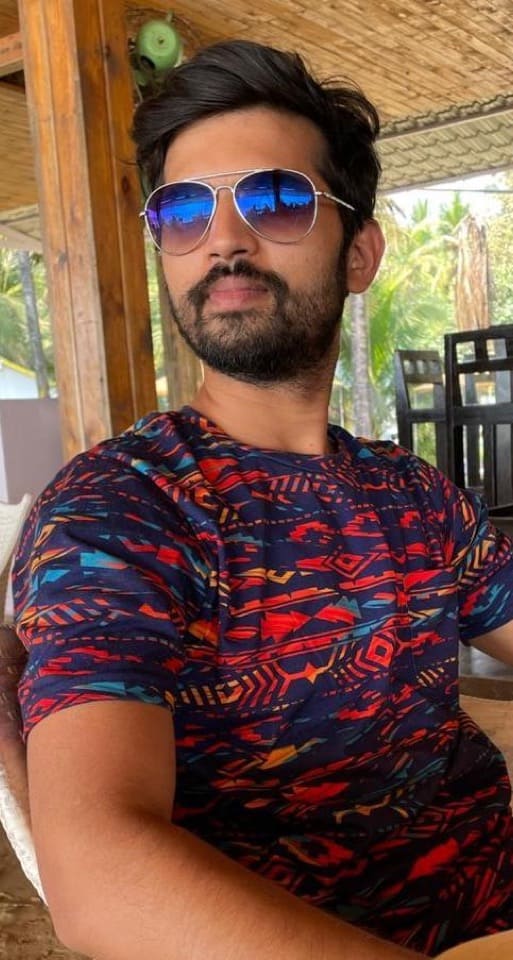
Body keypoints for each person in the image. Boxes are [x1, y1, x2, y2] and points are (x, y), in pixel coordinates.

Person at [11, 38, 513, 960]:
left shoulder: (412, 493)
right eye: (182, 210)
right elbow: (98, 874)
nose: (223, 238)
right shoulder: (121, 510)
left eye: (276, 200)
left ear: (359, 252)